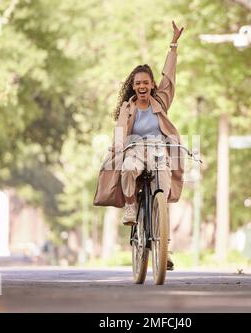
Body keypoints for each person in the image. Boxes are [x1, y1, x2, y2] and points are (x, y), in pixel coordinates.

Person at [93, 21, 184, 270]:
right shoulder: (128, 108)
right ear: (133, 87)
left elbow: (170, 76)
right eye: (138, 83)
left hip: (158, 151)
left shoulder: (160, 102)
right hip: (134, 150)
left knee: (162, 192)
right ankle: (131, 207)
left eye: (146, 82)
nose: (142, 86)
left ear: (152, 85)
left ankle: (164, 248)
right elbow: (120, 134)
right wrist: (116, 152)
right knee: (129, 168)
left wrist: (173, 45)